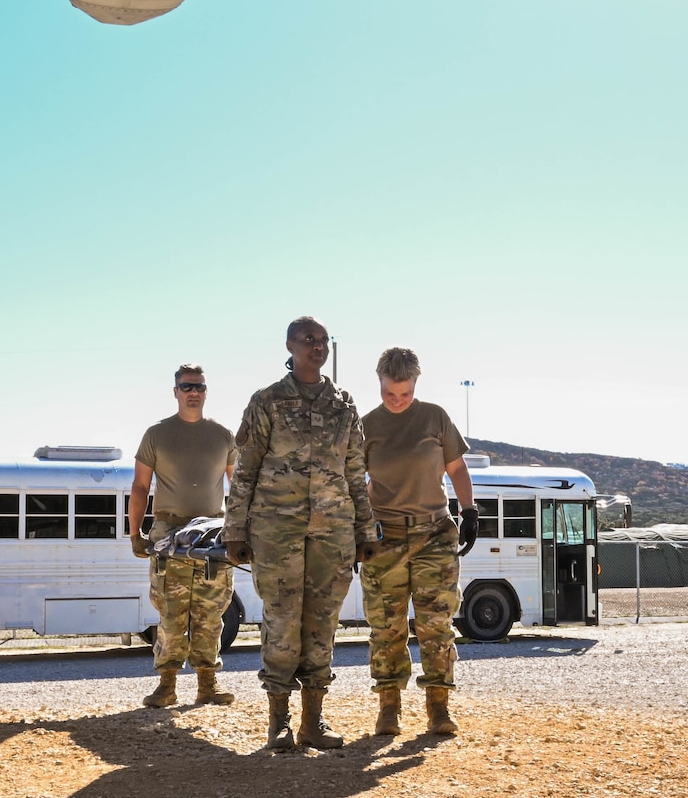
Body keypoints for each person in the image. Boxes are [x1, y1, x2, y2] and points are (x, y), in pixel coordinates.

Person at [224, 316, 375, 752]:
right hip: (277, 529)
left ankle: (313, 720)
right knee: (282, 619)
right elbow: (246, 469)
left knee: (323, 622)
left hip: (333, 531)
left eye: (323, 340)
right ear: (290, 346)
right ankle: (278, 721)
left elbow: (355, 471)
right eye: (308, 340)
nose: (317, 347)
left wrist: (365, 528)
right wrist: (236, 527)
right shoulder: (267, 401)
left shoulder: (343, 405)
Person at [360, 347, 481, 738]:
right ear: (379, 383)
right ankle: (389, 709)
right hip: (384, 540)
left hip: (433, 536)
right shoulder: (366, 427)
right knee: (386, 628)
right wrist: (353, 532)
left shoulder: (435, 418)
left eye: (405, 394)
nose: (397, 401)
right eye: (389, 393)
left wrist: (469, 511)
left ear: (416, 383)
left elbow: (457, 467)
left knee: (436, 626)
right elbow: (350, 484)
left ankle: (438, 709)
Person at [132, 364, 238, 708]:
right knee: (172, 612)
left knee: (211, 613)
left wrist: (241, 532)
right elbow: (139, 486)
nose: (194, 392)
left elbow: (238, 488)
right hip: (170, 534)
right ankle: (167, 685)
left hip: (212, 536)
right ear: (175, 391)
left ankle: (208, 684)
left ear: (206, 392)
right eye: (187, 386)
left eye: (199, 387)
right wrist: (135, 533)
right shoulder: (157, 434)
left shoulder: (223, 436)